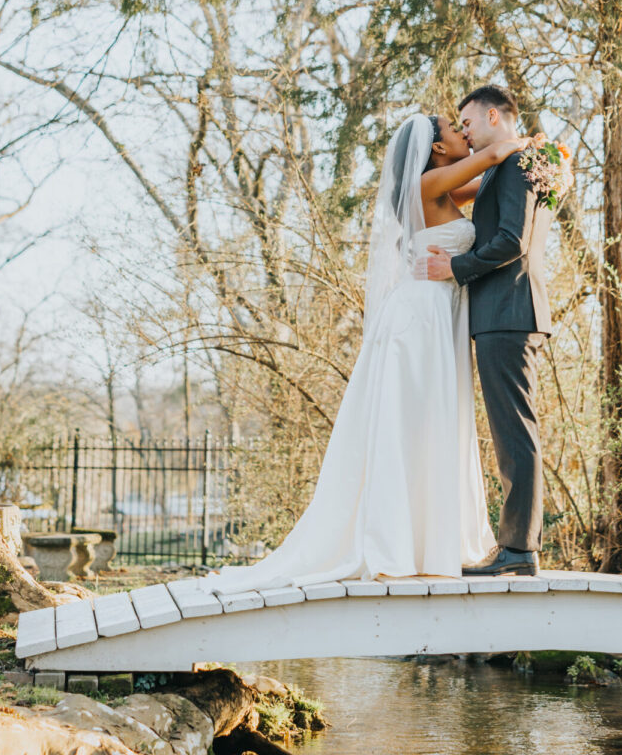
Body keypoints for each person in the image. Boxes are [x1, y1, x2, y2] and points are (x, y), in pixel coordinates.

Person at [202, 111, 538, 593]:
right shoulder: (429, 181)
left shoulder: (440, 188)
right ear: (437, 149)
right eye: (453, 129)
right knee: (417, 422)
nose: (463, 133)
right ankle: (399, 543)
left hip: (434, 311)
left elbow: (485, 185)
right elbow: (492, 155)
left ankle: (422, 540)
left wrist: (539, 173)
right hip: (421, 316)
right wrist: (531, 144)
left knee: (430, 423)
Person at [424, 85, 552, 578]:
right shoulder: (514, 163)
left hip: (509, 312)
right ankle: (517, 547)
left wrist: (455, 268)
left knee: (516, 434)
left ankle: (519, 550)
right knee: (511, 432)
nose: (467, 132)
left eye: (470, 123)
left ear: (494, 116)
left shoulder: (519, 164)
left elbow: (511, 241)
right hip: (506, 313)